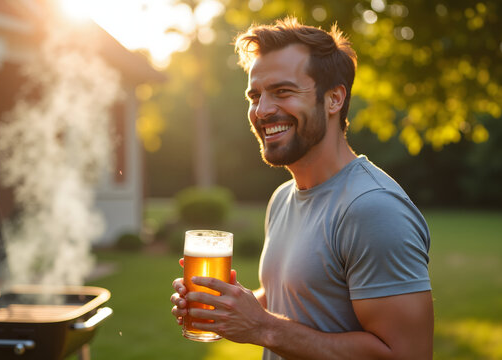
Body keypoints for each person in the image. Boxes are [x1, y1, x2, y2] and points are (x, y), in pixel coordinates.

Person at [170, 17, 433, 360]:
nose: (262, 110)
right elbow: (292, 299)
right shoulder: (283, 198)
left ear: (335, 99)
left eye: (283, 91)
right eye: (256, 95)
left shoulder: (373, 208)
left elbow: (407, 355)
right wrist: (229, 307)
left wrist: (263, 327)